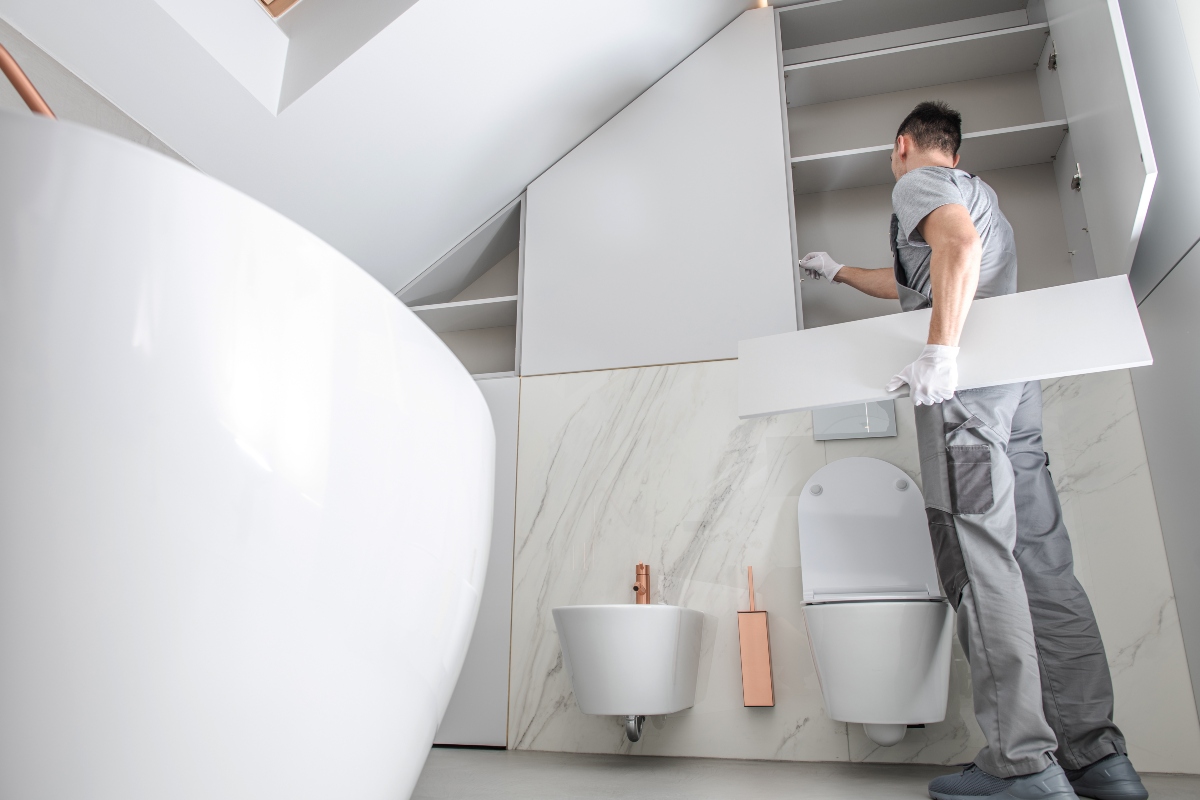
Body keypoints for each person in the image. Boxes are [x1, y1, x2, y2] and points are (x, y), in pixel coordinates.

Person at [799, 101, 1149, 800]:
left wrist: (939, 351)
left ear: (905, 145)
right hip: (1012, 388)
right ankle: (1096, 758)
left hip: (966, 391)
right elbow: (921, 276)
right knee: (1044, 566)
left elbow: (954, 247)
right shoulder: (980, 194)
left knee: (975, 555)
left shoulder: (915, 185)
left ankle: (1024, 763)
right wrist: (837, 270)